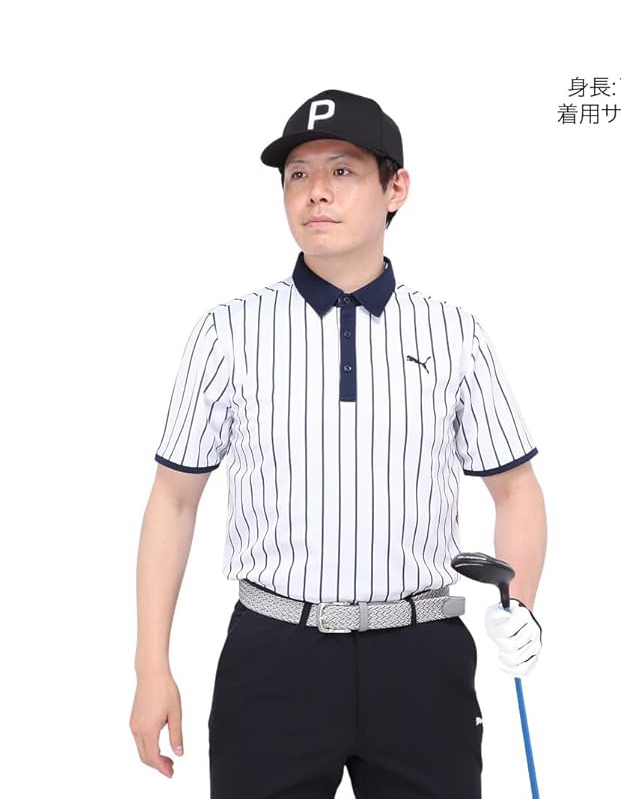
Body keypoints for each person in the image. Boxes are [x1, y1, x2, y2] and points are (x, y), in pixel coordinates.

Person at [130, 88, 547, 798]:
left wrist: (523, 606)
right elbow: (173, 499)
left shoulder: (453, 334)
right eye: (298, 174)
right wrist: (150, 666)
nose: (315, 192)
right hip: (274, 658)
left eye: (343, 171)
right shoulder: (229, 333)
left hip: (421, 659)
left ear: (395, 188)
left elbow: (514, 490)